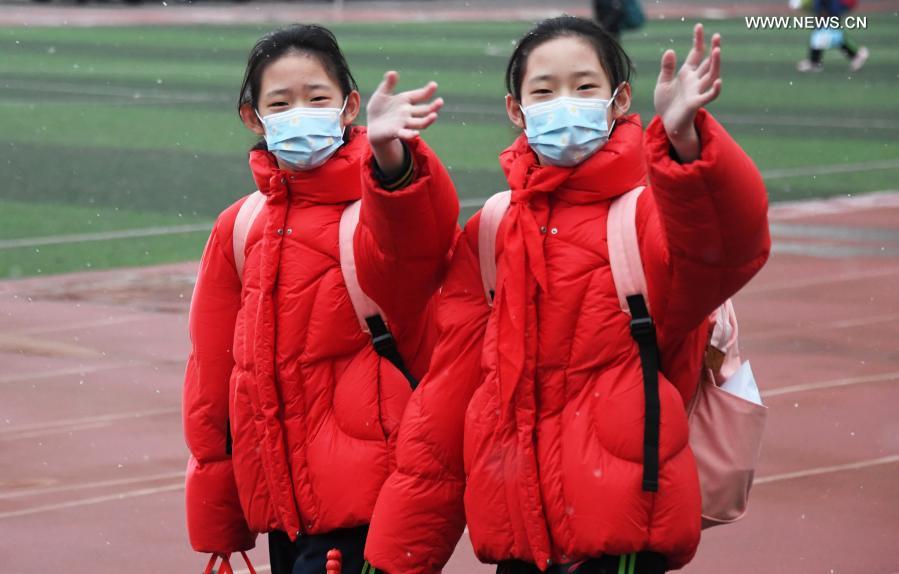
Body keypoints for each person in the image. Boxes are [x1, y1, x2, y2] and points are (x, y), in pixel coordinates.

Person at [364, 16, 770, 574]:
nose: (565, 103)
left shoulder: (649, 216)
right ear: (516, 109)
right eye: (544, 91)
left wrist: (686, 144)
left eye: (584, 88)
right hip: (517, 538)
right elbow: (445, 404)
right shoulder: (490, 230)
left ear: (619, 99)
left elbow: (726, 248)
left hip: (624, 537)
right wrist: (397, 558)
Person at [181, 24, 459, 574]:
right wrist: (219, 513)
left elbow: (418, 242)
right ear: (252, 117)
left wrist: (393, 161)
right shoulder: (240, 225)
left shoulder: (374, 208)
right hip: (283, 510)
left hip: (373, 509)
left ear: (349, 105)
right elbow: (211, 374)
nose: (300, 113)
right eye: (280, 102)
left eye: (317, 98)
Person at [796, 0, 868, 72]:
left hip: (830, 13)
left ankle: (856, 55)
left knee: (827, 37)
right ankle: (815, 61)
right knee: (827, 37)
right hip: (830, 13)